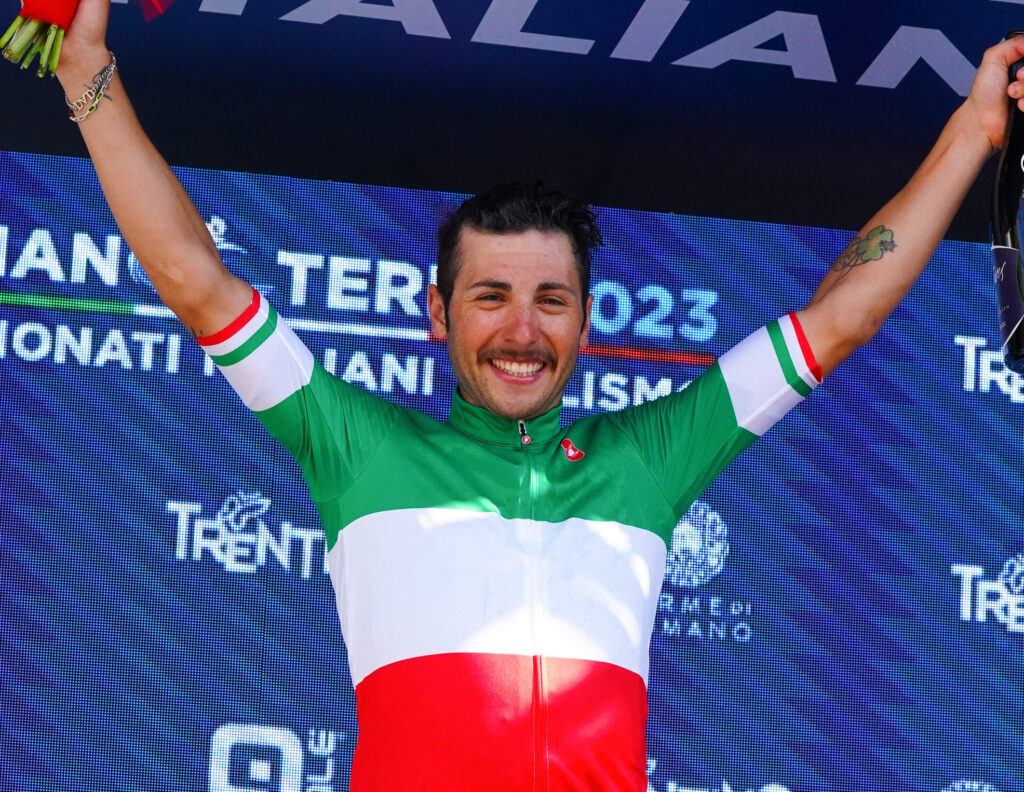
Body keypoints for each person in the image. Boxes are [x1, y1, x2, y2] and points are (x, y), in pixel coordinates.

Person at [53, 1, 1024, 788]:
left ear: (585, 320)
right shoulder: (357, 446)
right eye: (491, 298)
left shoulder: (650, 456)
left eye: (550, 300)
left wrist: (972, 131)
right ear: (438, 313)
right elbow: (195, 280)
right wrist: (86, 78)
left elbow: (840, 318)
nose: (522, 330)